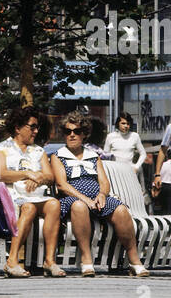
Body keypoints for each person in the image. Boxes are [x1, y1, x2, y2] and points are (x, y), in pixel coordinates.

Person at [50, 112, 149, 278]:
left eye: (76, 131)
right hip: (72, 198)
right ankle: (87, 261)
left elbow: (104, 182)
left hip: (96, 198)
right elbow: (62, 185)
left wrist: (102, 194)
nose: (72, 135)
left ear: (84, 134)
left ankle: (134, 261)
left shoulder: (93, 156)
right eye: (68, 132)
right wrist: (86, 199)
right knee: (79, 206)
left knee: (121, 210)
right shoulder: (58, 156)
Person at [0, 106, 65, 278]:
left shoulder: (38, 151)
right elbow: (0, 174)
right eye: (32, 126)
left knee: (54, 204)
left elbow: (50, 176)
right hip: (12, 197)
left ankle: (49, 261)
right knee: (29, 208)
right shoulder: (1, 148)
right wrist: (26, 173)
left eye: (37, 127)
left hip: (36, 195)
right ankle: (12, 261)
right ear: (18, 128)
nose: (36, 131)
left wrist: (37, 178)